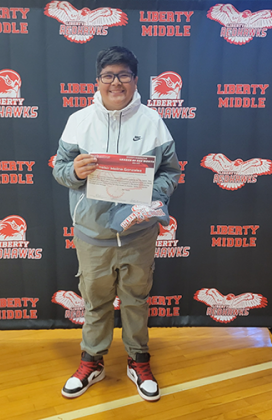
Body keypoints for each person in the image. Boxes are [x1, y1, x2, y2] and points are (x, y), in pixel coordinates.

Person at [53, 46, 180, 402]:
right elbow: (59, 169)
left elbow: (171, 171)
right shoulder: (79, 120)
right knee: (95, 302)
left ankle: (138, 359)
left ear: (135, 80)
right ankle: (92, 361)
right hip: (92, 234)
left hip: (139, 233)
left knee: (136, 300)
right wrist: (74, 172)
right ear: (98, 81)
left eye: (123, 75)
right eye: (108, 76)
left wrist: (151, 195)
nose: (116, 82)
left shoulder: (153, 122)